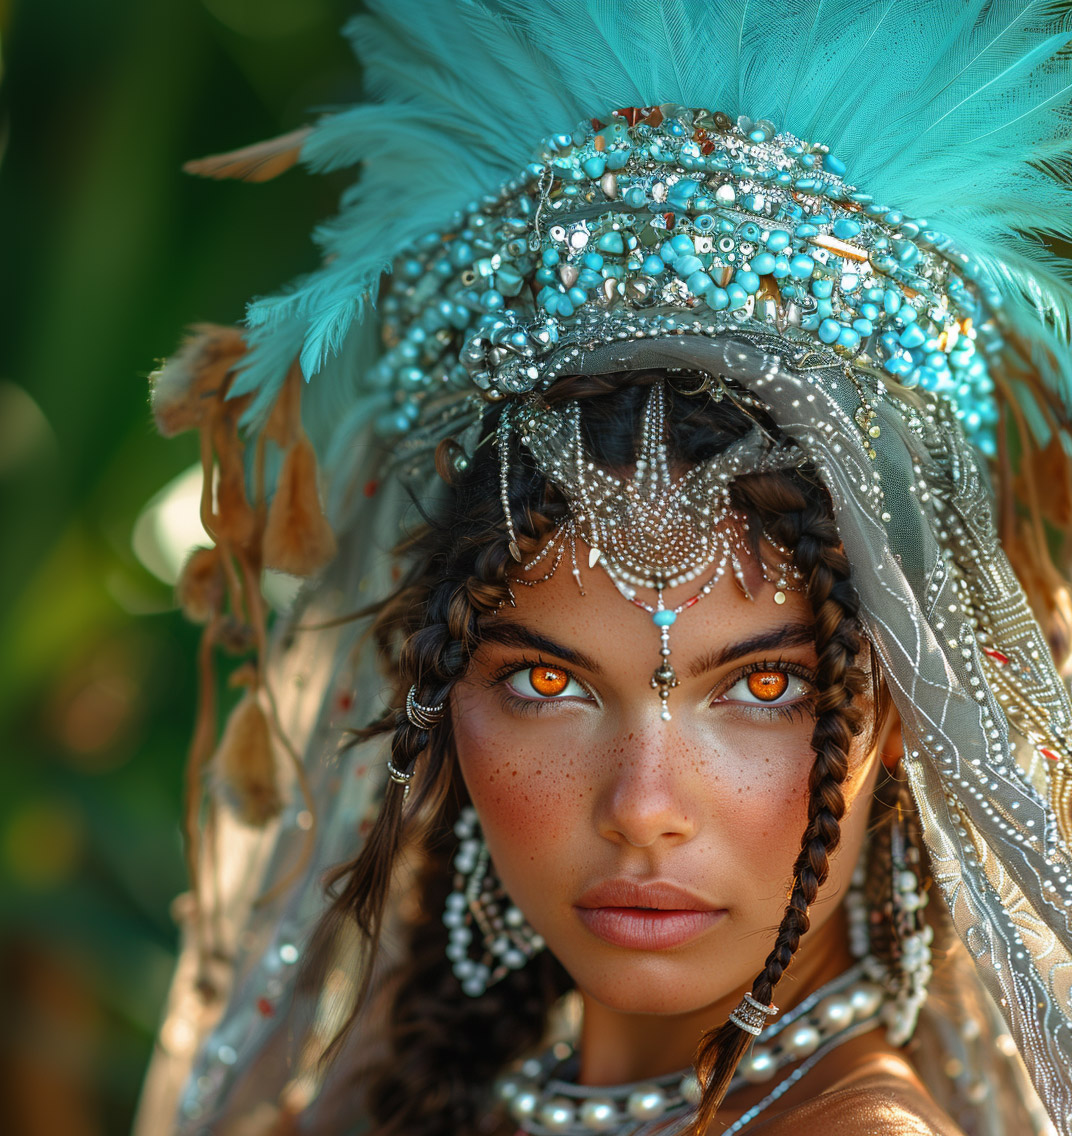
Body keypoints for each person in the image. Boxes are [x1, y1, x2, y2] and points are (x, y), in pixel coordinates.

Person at [136, 2, 1072, 1134]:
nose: (641, 810)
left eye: (763, 685)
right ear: (430, 694)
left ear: (910, 712)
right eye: (545, 683)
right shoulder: (428, 1091)